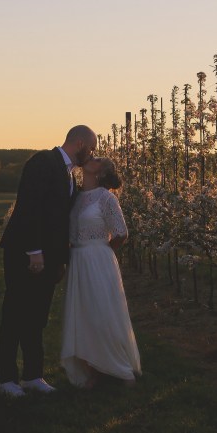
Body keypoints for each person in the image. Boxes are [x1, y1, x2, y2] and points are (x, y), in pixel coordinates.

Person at [0, 125, 97, 398]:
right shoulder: (43, 162)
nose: (92, 154)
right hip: (24, 252)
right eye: (91, 148)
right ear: (79, 143)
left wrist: (60, 260)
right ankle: (6, 378)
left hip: (49, 257)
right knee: (15, 313)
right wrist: (34, 251)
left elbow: (60, 221)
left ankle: (32, 375)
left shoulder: (69, 175)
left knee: (37, 316)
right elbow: (29, 208)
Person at [61, 156, 142, 388]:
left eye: (97, 159)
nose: (91, 158)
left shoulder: (106, 198)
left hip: (98, 259)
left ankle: (120, 368)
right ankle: (93, 370)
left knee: (101, 312)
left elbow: (121, 232)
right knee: (83, 314)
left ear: (101, 172)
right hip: (77, 259)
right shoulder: (75, 196)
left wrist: (102, 253)